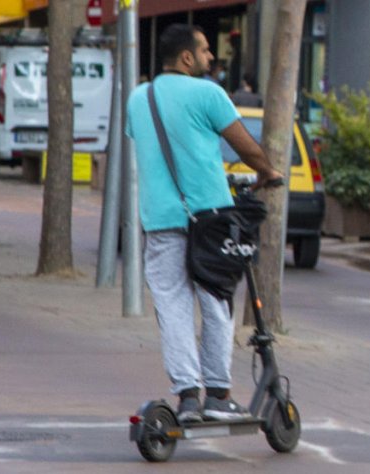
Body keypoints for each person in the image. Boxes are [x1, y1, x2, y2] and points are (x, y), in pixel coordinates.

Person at [125, 24, 284, 423]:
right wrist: (266, 171)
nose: (212, 57)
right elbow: (245, 146)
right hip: (210, 220)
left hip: (160, 222)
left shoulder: (137, 99)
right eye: (206, 50)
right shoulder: (208, 94)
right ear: (186, 58)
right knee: (215, 304)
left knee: (173, 310)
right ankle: (218, 394)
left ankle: (188, 399)